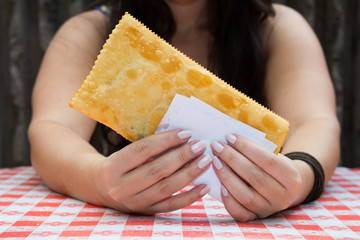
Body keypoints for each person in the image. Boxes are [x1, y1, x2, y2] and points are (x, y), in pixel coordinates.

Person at [28, 0, 340, 222]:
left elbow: (315, 121)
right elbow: (53, 129)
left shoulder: (275, 27)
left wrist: (299, 175)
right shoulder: (90, 31)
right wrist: (97, 179)